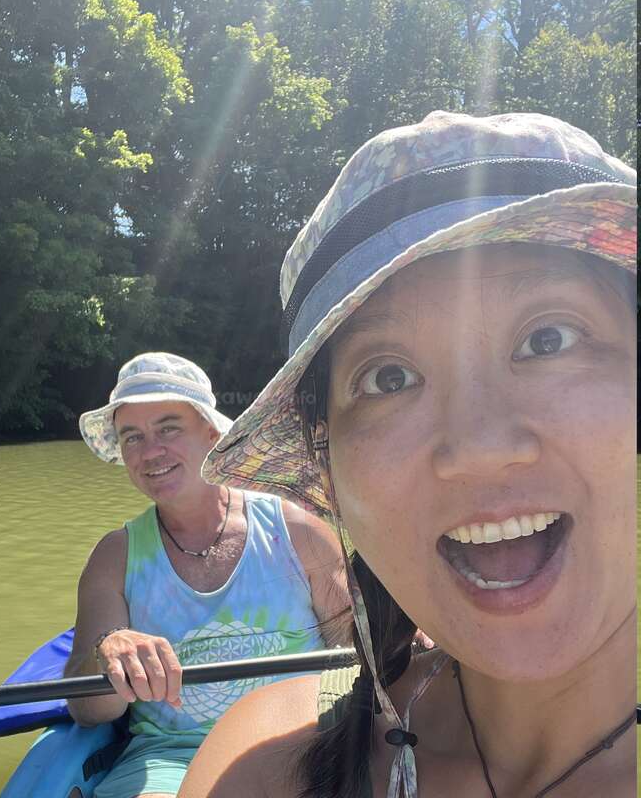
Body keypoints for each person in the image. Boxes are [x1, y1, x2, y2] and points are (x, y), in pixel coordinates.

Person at [179, 111, 636, 798]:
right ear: (327, 463)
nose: (479, 450)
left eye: (549, 339)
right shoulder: (264, 770)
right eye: (388, 378)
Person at [63, 352, 351, 798]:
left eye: (168, 428)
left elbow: (361, 648)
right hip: (170, 761)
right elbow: (86, 710)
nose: (150, 451)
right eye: (132, 436)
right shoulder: (114, 556)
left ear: (214, 432)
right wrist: (108, 653)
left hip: (301, 745)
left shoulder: (296, 530)